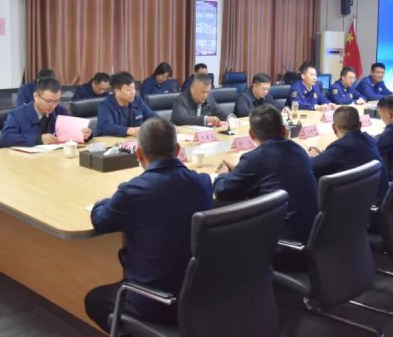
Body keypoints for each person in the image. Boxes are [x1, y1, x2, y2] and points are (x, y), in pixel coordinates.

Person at [84, 118, 213, 333]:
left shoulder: (133, 192)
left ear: (138, 153)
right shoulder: (203, 183)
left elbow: (100, 221)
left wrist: (103, 202)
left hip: (155, 303)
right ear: (178, 150)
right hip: (200, 295)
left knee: (94, 300)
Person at [213, 105, 317, 248]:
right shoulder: (299, 150)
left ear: (251, 134)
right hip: (312, 236)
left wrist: (222, 174)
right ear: (284, 130)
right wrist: (240, 170)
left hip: (282, 243)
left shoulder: (255, 159)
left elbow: (222, 190)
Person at [308, 106, 387, 202]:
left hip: (359, 204)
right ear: (360, 124)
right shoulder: (369, 139)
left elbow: (309, 166)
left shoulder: (341, 148)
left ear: (334, 128)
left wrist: (312, 157)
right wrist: (323, 155)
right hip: (377, 199)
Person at [0, 78, 91, 147]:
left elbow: (74, 131)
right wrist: (38, 139)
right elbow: (6, 138)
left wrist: (86, 135)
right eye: (49, 101)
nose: (53, 105)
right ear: (36, 96)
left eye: (57, 101)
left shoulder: (60, 111)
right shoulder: (17, 115)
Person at [96, 72, 159, 137]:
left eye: (134, 88)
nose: (133, 92)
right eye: (128, 89)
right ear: (117, 91)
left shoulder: (137, 101)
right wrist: (129, 131)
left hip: (133, 141)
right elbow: (106, 127)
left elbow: (154, 117)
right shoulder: (105, 106)